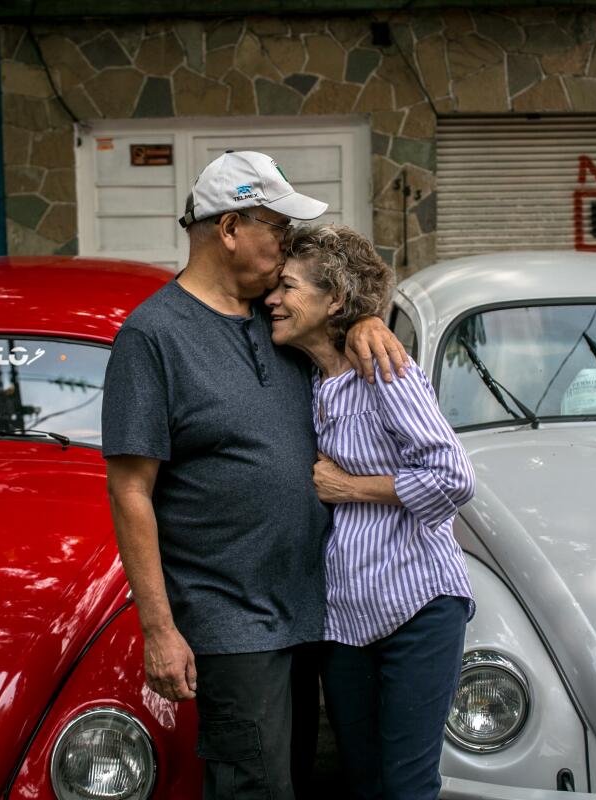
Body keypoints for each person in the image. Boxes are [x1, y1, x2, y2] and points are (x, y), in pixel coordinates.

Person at [101, 151, 407, 800]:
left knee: (308, 778)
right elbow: (131, 489)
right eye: (279, 229)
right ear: (231, 228)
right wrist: (159, 629)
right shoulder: (153, 337)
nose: (289, 245)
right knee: (255, 787)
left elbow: (341, 307)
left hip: (317, 609)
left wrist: (367, 320)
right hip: (232, 616)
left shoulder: (279, 316)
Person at [264, 224, 475, 800]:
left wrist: (350, 488)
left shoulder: (384, 370)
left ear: (333, 300)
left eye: (287, 287)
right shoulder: (304, 379)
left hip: (417, 604)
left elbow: (453, 478)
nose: (272, 299)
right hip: (345, 618)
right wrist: (364, 318)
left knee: (406, 786)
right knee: (361, 781)